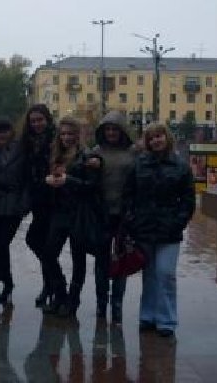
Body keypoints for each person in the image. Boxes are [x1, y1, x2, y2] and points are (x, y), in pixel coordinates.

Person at [123, 123, 195, 337]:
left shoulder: (181, 166)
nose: (156, 140)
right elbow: (128, 195)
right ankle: (148, 316)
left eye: (159, 136)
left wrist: (178, 222)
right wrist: (132, 219)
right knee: (149, 274)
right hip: (144, 227)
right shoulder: (139, 164)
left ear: (167, 137)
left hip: (169, 230)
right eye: (152, 137)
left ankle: (167, 320)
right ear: (147, 142)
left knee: (165, 273)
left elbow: (188, 200)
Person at [42, 116, 103, 318]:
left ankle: (73, 300)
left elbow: (92, 186)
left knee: (78, 258)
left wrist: (68, 180)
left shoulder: (87, 156)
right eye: (63, 134)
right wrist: (48, 182)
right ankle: (60, 292)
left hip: (79, 213)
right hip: (59, 211)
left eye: (70, 133)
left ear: (78, 135)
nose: (66, 137)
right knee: (48, 254)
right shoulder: (55, 155)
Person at [92, 111, 139, 323]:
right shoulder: (96, 152)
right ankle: (101, 303)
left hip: (124, 215)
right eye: (107, 129)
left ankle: (117, 304)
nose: (111, 133)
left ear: (122, 131)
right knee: (101, 261)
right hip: (101, 214)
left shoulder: (133, 153)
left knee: (121, 260)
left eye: (115, 129)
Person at [0, 118, 28, 306]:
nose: (1, 135)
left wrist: (24, 206)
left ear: (11, 132)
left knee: (2, 244)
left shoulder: (22, 150)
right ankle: (5, 283)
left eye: (4, 131)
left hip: (14, 205)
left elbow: (27, 179)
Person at [21, 104, 56, 307]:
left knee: (45, 244)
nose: (36, 124)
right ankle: (51, 283)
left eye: (40, 120)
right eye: (33, 121)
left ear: (47, 120)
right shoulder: (28, 141)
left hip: (54, 198)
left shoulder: (55, 139)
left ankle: (53, 285)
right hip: (37, 199)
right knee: (37, 240)